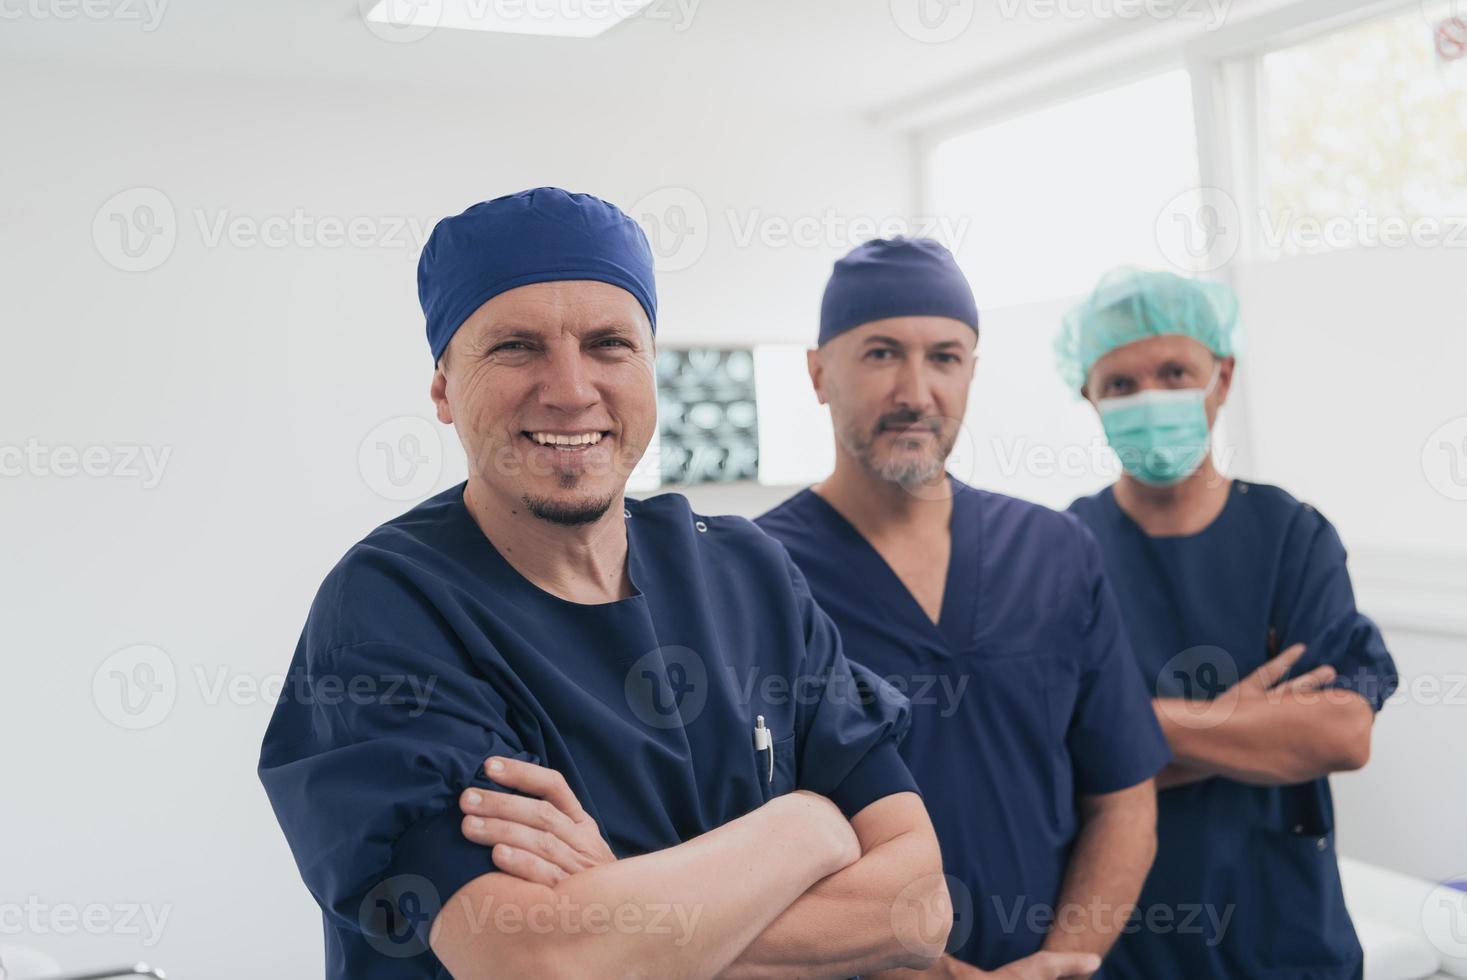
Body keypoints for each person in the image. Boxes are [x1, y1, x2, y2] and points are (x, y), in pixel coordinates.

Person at [258, 188, 951, 980]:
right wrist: (802, 829)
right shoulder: (391, 611)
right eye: (515, 347)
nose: (569, 389)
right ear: (444, 389)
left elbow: (918, 909)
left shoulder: (746, 573)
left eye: (608, 344)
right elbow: (539, 961)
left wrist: (630, 928)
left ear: (651, 369)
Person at [755, 238, 1170, 979]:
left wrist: (1063, 960)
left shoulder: (1055, 551)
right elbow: (736, 843)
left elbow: (1122, 798)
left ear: (971, 373)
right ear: (818, 373)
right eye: (881, 354)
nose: (915, 391)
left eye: (944, 357)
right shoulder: (752, 575)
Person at [1057, 266, 1399, 979]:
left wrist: (1132, 730)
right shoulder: (1059, 553)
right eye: (1120, 383)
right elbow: (1049, 762)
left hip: (1283, 931)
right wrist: (1241, 719)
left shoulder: (1289, 536)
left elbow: (1340, 732)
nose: (1150, 397)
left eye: (1175, 371)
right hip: (1128, 944)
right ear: (1087, 395)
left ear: (1222, 376)